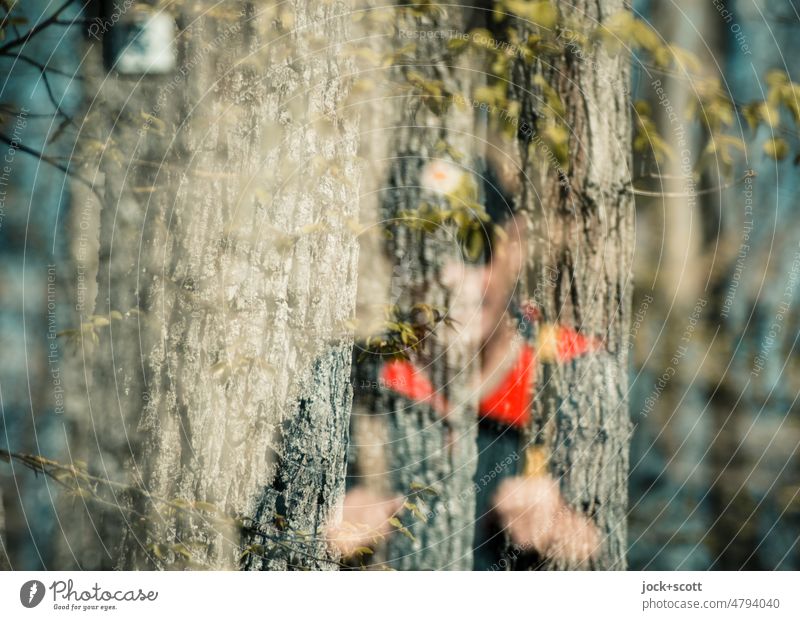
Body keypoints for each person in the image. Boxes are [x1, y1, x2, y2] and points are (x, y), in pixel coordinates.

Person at [328, 158, 601, 569]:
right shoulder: (349, 381)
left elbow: (663, 532)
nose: (449, 279)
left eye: (473, 248)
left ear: (515, 248)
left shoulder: (572, 370)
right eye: (422, 254)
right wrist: (320, 540)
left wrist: (577, 541)